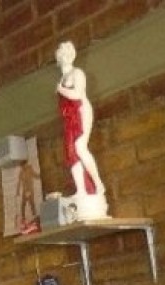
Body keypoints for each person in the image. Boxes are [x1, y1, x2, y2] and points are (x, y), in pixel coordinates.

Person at [55, 41, 105, 198]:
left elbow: (77, 94)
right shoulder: (63, 78)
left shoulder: (77, 73)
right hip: (70, 118)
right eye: (60, 53)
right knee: (72, 153)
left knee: (80, 147)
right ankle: (81, 190)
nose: (62, 56)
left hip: (81, 112)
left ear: (70, 56)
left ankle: (98, 184)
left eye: (65, 53)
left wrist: (61, 90)